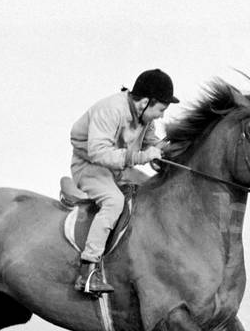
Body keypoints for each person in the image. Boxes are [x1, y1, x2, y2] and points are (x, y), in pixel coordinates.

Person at [69, 68, 179, 294]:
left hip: (119, 170)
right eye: (161, 109)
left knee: (153, 192)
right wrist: (140, 157)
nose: (161, 115)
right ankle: (87, 272)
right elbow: (98, 152)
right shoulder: (111, 109)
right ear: (146, 102)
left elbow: (150, 144)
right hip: (90, 168)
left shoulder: (144, 116)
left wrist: (165, 151)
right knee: (114, 202)